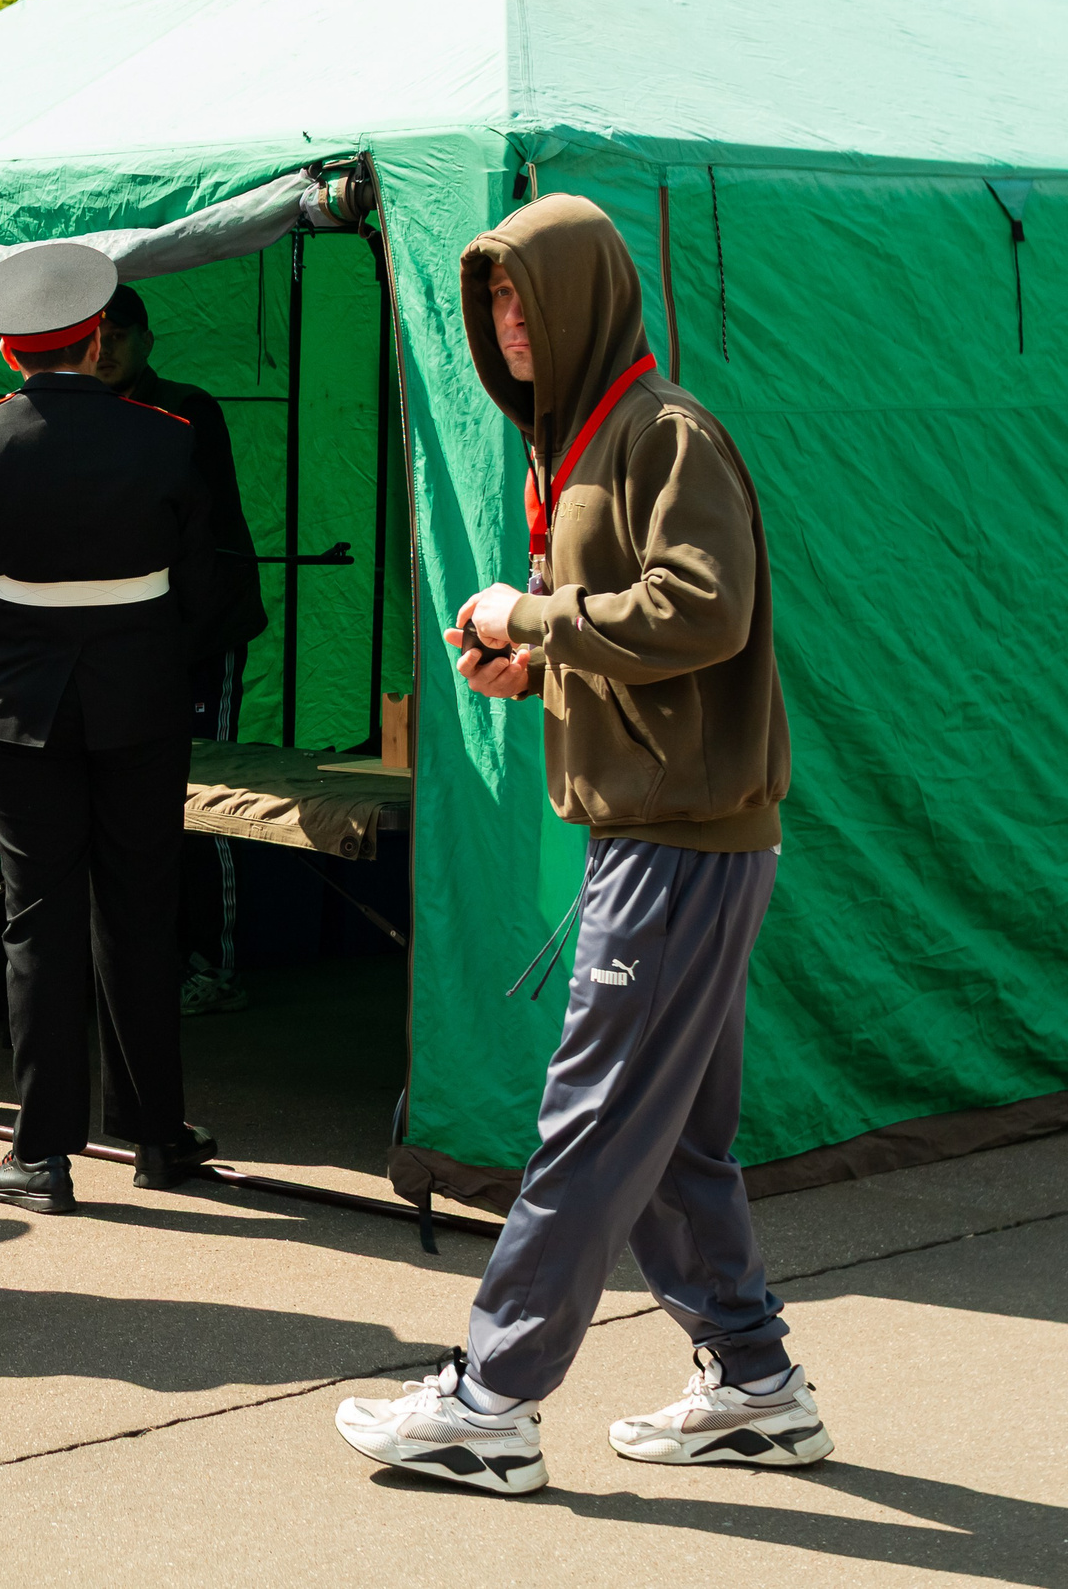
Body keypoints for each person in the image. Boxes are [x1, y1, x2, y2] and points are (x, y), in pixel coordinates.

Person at [335, 195, 818, 1496]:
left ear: (585, 297)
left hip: (680, 841)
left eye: (524, 298)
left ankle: (492, 1396)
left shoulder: (666, 433)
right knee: (675, 1138)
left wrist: (531, 613)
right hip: (661, 834)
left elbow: (701, 611)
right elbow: (642, 640)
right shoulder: (586, 443)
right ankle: (757, 1383)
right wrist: (532, 665)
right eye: (491, 304)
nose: (508, 324)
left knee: (594, 1116)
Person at [0, 243, 222, 1215]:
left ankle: (42, 1152)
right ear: (95, 341)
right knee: (139, 910)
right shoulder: (165, 437)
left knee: (37, 921)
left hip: (19, 706)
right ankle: (158, 1134)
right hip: (140, 699)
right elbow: (208, 581)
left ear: (11, 351)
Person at [94, 285, 263, 1017]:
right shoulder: (84, 413)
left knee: (207, 797)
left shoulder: (187, 410)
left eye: (118, 335)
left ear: (147, 339)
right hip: (126, 645)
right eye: (91, 336)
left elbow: (190, 532)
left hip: (200, 635)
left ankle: (216, 966)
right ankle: (152, 959)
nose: (103, 349)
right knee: (134, 805)